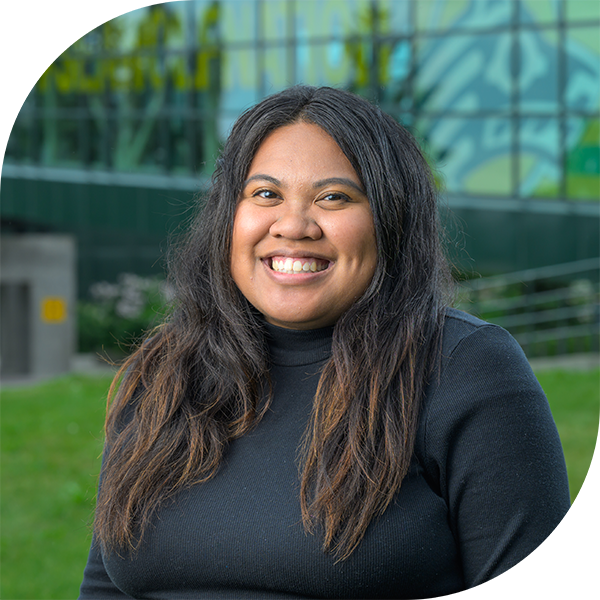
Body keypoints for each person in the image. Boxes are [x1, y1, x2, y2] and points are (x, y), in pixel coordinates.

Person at [78, 86, 571, 599]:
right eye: (265, 194)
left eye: (333, 197)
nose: (293, 226)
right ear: (229, 215)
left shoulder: (469, 371)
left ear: (390, 218)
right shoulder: (165, 372)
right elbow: (104, 587)